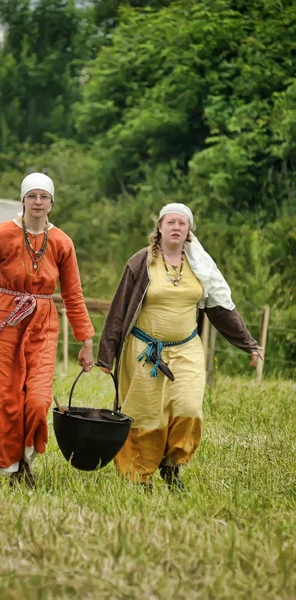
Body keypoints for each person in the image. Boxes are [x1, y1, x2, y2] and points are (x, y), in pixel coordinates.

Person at [0, 172, 95, 485]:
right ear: (22, 200)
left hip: (42, 322)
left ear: (51, 203)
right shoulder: (3, 234)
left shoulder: (62, 242)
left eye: (44, 197)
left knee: (38, 401)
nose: (38, 202)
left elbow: (73, 295)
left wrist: (86, 341)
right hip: (4, 320)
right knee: (1, 397)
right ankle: (11, 469)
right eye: (32, 196)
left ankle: (24, 458)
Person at [97, 203, 262, 491]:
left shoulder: (201, 266)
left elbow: (221, 307)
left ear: (188, 231)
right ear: (159, 227)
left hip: (186, 349)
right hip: (143, 351)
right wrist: (105, 354)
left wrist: (248, 344)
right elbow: (119, 309)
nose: (176, 227)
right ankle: (140, 476)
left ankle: (171, 464)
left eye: (182, 223)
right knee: (146, 416)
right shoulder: (141, 262)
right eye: (170, 222)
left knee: (188, 408)